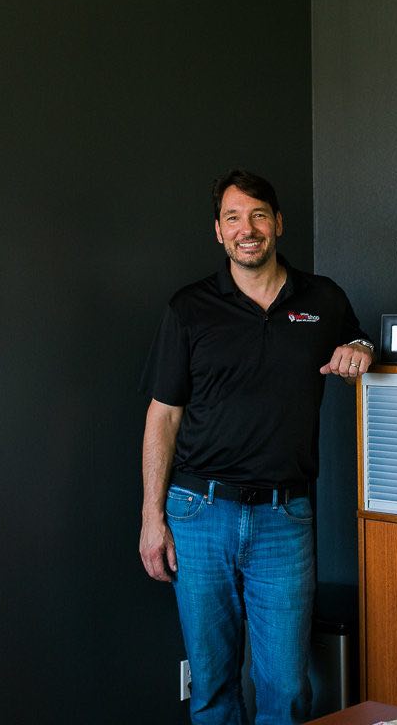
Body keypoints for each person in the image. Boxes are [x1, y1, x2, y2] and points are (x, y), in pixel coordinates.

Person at [138, 169, 373, 724]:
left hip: (283, 518)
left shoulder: (322, 298)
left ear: (278, 224)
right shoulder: (189, 308)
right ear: (218, 232)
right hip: (198, 513)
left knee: (286, 690)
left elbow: (358, 338)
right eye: (234, 218)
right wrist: (152, 516)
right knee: (214, 689)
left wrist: (361, 348)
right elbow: (162, 415)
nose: (248, 229)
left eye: (259, 215)